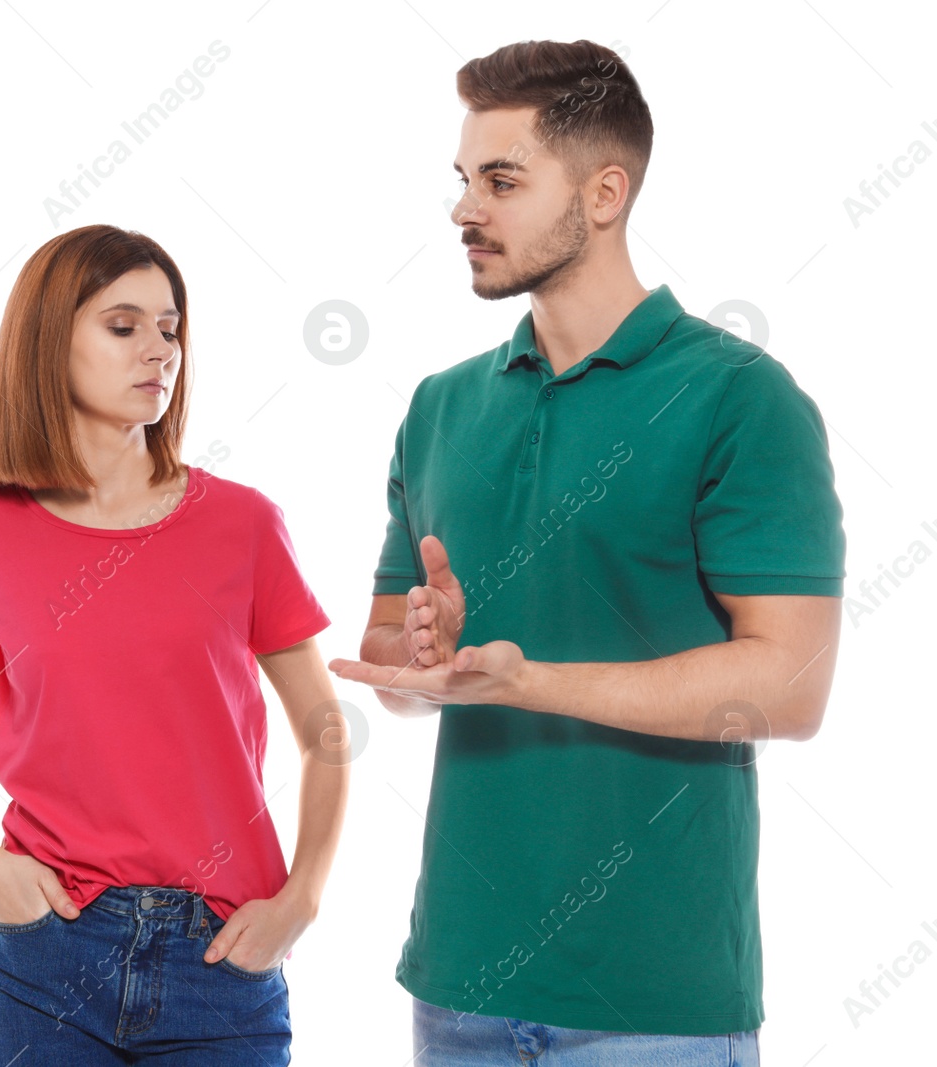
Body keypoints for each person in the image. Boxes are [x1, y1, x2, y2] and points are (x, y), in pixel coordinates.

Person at [329, 39, 845, 1065]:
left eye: (503, 181)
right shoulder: (440, 405)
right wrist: (421, 662)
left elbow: (788, 687)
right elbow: (392, 664)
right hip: (459, 983)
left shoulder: (737, 396)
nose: (464, 210)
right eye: (464, 180)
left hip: (653, 1002)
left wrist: (532, 681)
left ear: (603, 192)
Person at [0, 223, 350, 1065]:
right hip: (44, 958)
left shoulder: (244, 524)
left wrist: (305, 895)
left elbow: (326, 727)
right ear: (49, 343)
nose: (159, 349)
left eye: (170, 327)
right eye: (124, 326)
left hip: (221, 957)